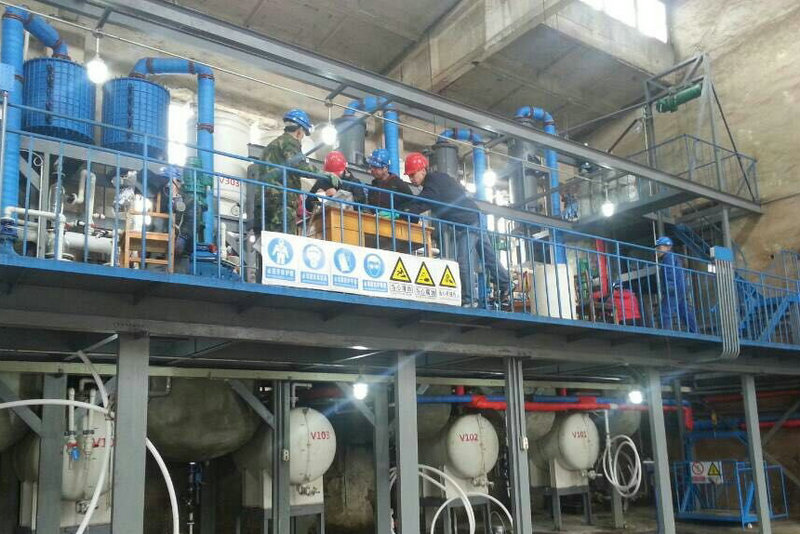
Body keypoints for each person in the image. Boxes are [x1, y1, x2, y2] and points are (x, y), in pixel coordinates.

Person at [402, 152, 482, 307]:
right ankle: (506, 285)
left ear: (423, 170)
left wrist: (406, 212)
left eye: (413, 175)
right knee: (489, 257)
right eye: (409, 176)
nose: (411, 179)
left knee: (463, 261)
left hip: (469, 221)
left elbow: (424, 201)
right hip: (472, 217)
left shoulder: (433, 183)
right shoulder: (436, 180)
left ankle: (470, 300)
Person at [254, 108, 316, 233]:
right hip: (281, 203)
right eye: (303, 135)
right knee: (284, 240)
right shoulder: (290, 142)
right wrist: (325, 175)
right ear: (299, 131)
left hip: (263, 203)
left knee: (267, 241)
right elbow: (299, 166)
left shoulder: (272, 145)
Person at [656, 236, 698, 332]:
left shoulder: (668, 257)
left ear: (668, 247)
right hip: (680, 287)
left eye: (659, 247)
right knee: (684, 310)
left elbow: (669, 272)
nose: (657, 250)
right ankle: (695, 331)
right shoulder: (674, 257)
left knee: (665, 311)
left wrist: (670, 287)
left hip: (674, 288)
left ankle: (665, 332)